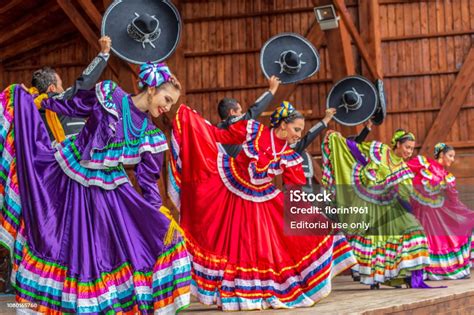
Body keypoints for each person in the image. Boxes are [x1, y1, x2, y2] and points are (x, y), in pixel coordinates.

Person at [0, 62, 191, 313]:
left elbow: (148, 182)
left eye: (171, 104)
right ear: (152, 89)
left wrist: (158, 215)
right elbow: (74, 105)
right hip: (70, 175)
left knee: (101, 253)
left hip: (107, 191)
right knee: (57, 241)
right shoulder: (110, 94)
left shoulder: (151, 135)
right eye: (167, 99)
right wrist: (42, 102)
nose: (167, 107)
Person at [168, 101, 356, 311]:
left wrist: (317, 213)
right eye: (296, 129)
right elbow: (219, 137)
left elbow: (296, 192)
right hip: (231, 188)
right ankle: (231, 294)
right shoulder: (253, 130)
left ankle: (251, 295)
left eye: (300, 131)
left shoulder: (290, 157)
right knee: (222, 239)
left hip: (261, 201)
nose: (298, 134)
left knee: (255, 247)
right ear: (283, 125)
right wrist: (197, 126)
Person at [321, 129, 431, 288]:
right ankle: (373, 280)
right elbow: (355, 150)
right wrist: (340, 140)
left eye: (411, 148)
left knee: (414, 231)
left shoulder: (404, 168)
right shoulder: (380, 150)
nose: (409, 151)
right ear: (397, 144)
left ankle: (398, 276)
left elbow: (405, 196)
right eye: (407, 147)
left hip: (390, 209)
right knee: (373, 240)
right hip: (370, 204)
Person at [407, 143, 474, 280]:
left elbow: (454, 198)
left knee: (437, 241)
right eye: (450, 156)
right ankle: (421, 270)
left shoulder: (447, 176)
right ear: (442, 155)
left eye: (453, 156)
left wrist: (466, 213)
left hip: (434, 213)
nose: (452, 159)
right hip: (419, 210)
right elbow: (404, 171)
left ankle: (432, 270)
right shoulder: (423, 163)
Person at [30, 36, 112, 143]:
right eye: (61, 85)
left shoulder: (29, 107)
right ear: (52, 88)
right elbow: (83, 83)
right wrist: (103, 54)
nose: (63, 89)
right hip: (69, 156)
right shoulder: (53, 101)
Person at [216, 75, 280, 157]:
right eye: (240, 111)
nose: (241, 114)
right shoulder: (230, 123)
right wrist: (271, 90)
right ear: (232, 112)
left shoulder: (220, 129)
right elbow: (252, 112)